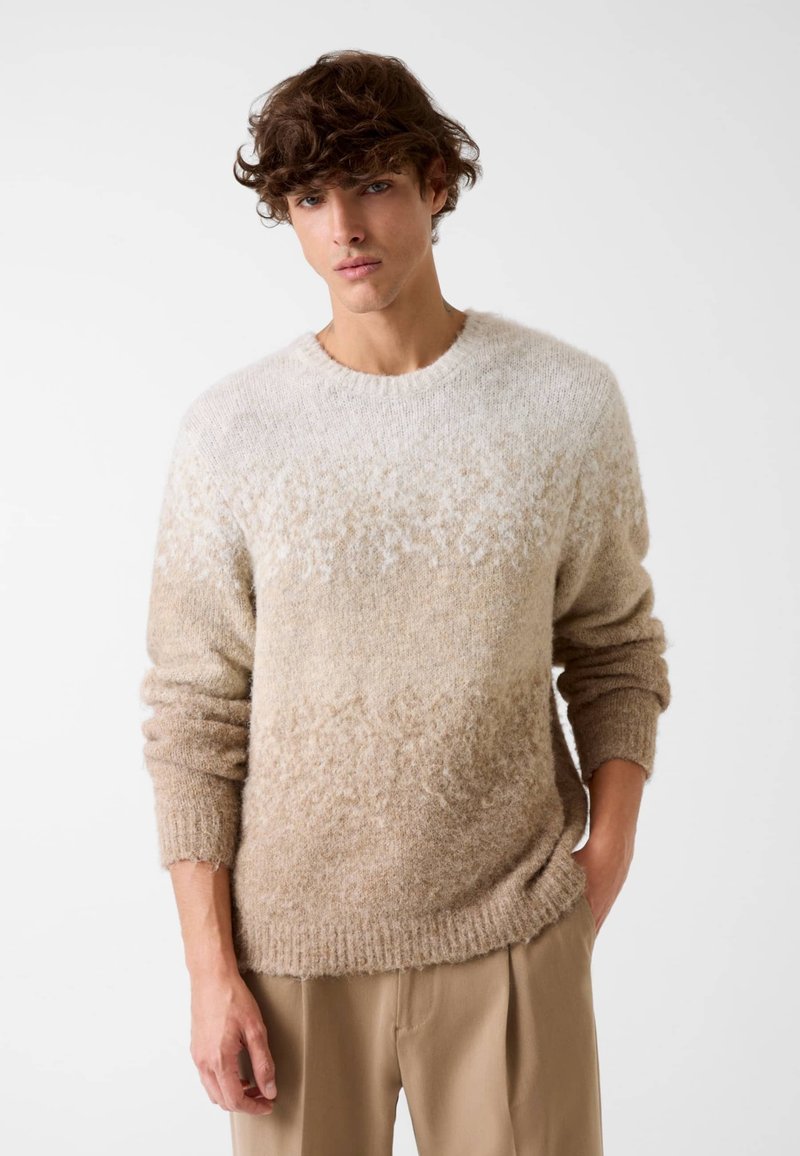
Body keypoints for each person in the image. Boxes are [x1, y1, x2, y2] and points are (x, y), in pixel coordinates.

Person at [139, 49, 671, 1156]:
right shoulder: (232, 432)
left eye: (373, 184)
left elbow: (615, 646)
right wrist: (209, 971)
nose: (343, 227)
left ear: (436, 183)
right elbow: (193, 712)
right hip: (288, 958)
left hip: (514, 929)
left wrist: (605, 858)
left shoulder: (563, 402)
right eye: (308, 199)